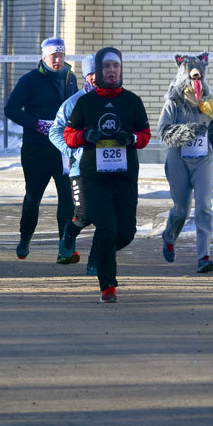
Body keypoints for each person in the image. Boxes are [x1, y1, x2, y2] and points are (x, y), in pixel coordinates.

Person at [63, 47, 151, 303]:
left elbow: (145, 136)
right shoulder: (86, 102)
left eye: (116, 66)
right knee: (106, 227)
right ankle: (108, 286)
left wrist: (132, 138)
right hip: (95, 177)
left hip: (124, 177)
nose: (112, 71)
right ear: (99, 71)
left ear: (121, 70)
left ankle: (101, 252)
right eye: (106, 67)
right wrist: (84, 136)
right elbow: (69, 136)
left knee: (125, 233)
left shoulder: (132, 101)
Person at [4, 36, 78, 260]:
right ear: (44, 57)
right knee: (33, 197)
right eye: (53, 55)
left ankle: (65, 248)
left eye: (61, 55)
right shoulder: (30, 80)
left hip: (63, 149)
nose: (57, 60)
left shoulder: (70, 78)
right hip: (36, 148)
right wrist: (35, 123)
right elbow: (11, 109)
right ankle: (25, 237)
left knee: (67, 198)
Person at [156, 53, 213, 273]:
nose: (196, 80)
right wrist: (187, 132)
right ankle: (170, 236)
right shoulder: (173, 101)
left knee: (204, 206)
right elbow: (163, 133)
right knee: (182, 210)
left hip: (203, 159)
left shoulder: (207, 99)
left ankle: (204, 256)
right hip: (178, 159)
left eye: (199, 75)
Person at [48, 54, 97, 267]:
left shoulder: (116, 100)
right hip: (81, 169)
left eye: (100, 72)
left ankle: (97, 263)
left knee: (107, 220)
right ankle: (69, 235)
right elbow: (54, 132)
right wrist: (74, 150)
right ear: (86, 76)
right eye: (91, 73)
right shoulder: (73, 102)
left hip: (110, 170)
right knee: (85, 215)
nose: (96, 77)